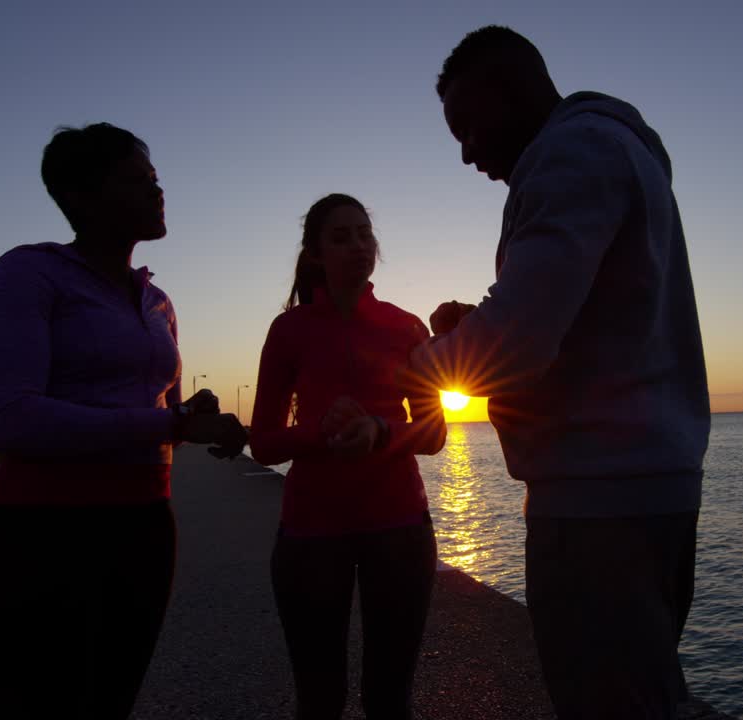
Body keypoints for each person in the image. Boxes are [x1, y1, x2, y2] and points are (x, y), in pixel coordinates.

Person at [410, 26, 711, 720]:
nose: (467, 153)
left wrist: (414, 367)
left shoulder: (571, 154)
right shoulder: (619, 151)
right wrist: (475, 326)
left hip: (595, 505)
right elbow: (579, 318)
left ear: (513, 90)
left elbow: (519, 339)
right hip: (654, 490)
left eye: (469, 127)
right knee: (647, 693)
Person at [0, 122, 247, 719]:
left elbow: (161, 416)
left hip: (144, 526)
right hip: (41, 534)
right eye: (136, 180)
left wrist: (193, 418)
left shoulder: (157, 301)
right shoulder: (27, 274)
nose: (156, 190)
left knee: (110, 702)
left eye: (156, 178)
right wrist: (171, 425)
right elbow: (10, 419)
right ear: (81, 196)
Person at [248, 193, 447, 719]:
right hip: (311, 530)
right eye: (341, 237)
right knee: (319, 699)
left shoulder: (405, 327)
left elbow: (433, 432)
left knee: (390, 698)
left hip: (399, 526)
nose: (359, 246)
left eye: (364, 234)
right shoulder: (288, 330)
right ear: (315, 253)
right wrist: (322, 432)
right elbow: (263, 442)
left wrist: (380, 430)